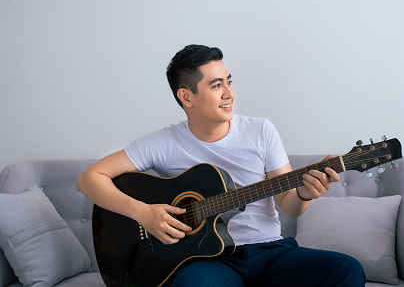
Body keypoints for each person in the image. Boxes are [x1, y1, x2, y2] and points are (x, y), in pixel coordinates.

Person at [77, 44, 366, 286]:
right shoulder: (164, 142)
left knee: (347, 270)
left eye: (229, 81)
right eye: (217, 86)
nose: (229, 93)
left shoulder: (261, 131)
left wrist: (304, 194)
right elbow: (89, 178)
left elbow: (289, 205)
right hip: (207, 261)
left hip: (269, 252)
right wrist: (143, 213)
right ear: (186, 96)